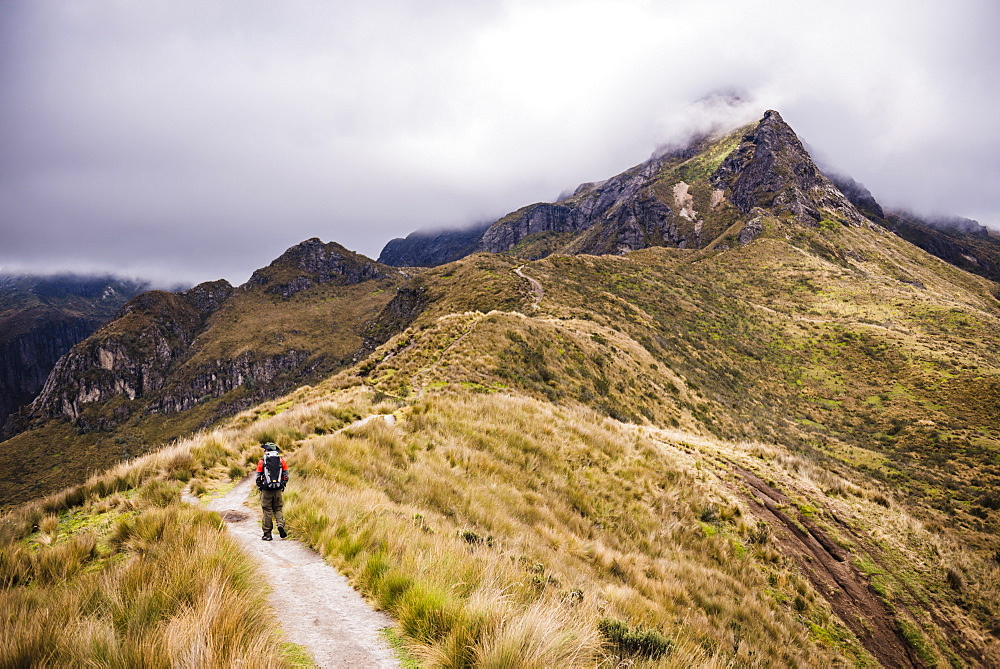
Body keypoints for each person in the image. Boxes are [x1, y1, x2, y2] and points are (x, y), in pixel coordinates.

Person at [256, 442, 289, 541]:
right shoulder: (281, 460)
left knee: (267, 510)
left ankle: (267, 534)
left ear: (267, 450)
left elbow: (258, 477)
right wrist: (282, 484)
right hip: (278, 489)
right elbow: (286, 475)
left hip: (266, 489)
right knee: (278, 508)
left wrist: (260, 487)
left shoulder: (262, 461)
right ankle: (280, 524)